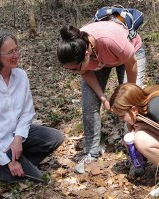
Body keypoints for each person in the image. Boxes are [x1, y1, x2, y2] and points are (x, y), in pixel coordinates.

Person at [0, 31, 64, 182]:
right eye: (10, 52)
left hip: (14, 135)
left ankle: (21, 164)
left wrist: (18, 138)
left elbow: (27, 112)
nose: (16, 55)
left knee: (55, 138)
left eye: (16, 49)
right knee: (34, 179)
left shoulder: (20, 76)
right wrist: (8, 161)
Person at [56, 21, 146, 173]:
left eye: (75, 69)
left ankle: (135, 154)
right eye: (70, 70)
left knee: (130, 105)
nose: (74, 72)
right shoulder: (76, 48)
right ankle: (91, 152)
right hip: (100, 59)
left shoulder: (109, 39)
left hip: (130, 55)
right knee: (89, 103)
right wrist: (103, 98)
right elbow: (84, 72)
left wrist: (130, 95)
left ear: (86, 55)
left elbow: (131, 64)